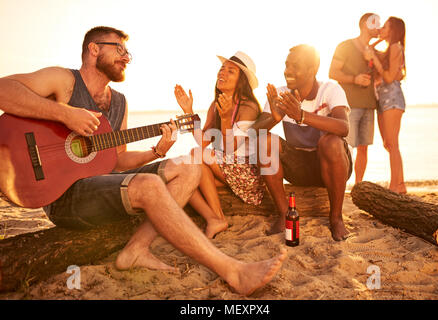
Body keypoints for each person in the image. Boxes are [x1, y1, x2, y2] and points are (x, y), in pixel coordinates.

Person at [0, 26, 286, 296]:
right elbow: (4, 89)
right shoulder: (64, 81)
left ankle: (136, 248)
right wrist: (65, 114)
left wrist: (157, 151)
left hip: (100, 189)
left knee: (188, 167)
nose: (127, 57)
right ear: (94, 49)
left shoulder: (120, 102)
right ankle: (232, 270)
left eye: (129, 53)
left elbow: (120, 159)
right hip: (62, 195)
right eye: (120, 49)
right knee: (149, 184)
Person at [251, 44, 352, 241]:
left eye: (295, 66)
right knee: (265, 141)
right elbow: (254, 133)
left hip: (332, 163)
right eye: (286, 65)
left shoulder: (330, 89)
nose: (288, 71)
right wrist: (275, 118)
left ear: (312, 69)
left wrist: (302, 116)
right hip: (298, 166)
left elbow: (344, 127)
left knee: (330, 142)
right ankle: (284, 214)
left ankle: (336, 218)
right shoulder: (281, 94)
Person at [174, 51, 265, 239]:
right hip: (224, 168)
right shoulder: (216, 104)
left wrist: (225, 119)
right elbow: (203, 140)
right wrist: (188, 111)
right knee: (185, 175)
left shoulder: (248, 107)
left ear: (242, 81)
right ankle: (215, 219)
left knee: (195, 155)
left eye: (231, 71)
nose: (222, 73)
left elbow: (231, 147)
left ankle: (217, 218)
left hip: (247, 174)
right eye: (222, 68)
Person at [329, 13, 381, 184]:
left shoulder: (375, 51)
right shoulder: (345, 46)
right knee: (346, 148)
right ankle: (341, 185)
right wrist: (354, 79)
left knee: (364, 148)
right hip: (349, 106)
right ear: (365, 25)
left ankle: (358, 186)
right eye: (375, 23)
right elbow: (333, 73)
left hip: (369, 105)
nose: (379, 27)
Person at [364, 17, 407, 194]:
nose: (381, 28)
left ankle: (394, 187)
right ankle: (401, 184)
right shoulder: (390, 47)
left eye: (385, 26)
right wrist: (380, 40)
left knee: (393, 144)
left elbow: (389, 78)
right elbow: (371, 50)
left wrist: (374, 56)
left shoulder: (396, 47)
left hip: (393, 98)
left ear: (393, 30)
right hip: (383, 99)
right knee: (388, 144)